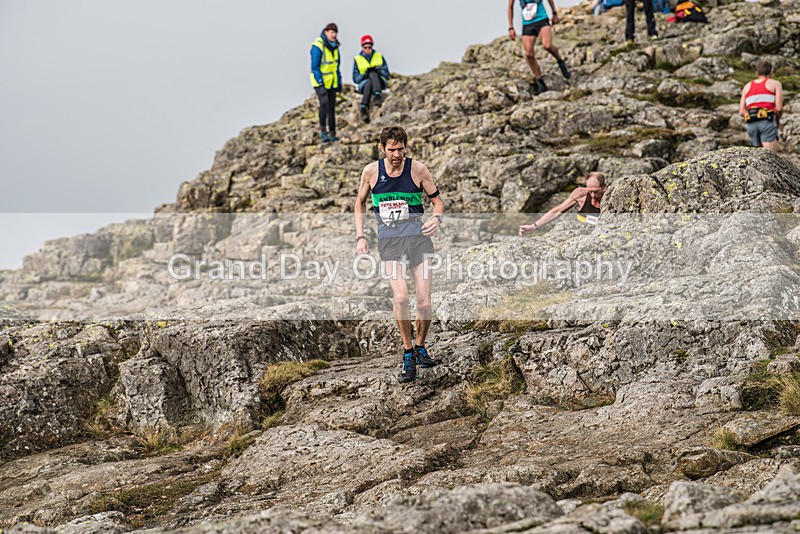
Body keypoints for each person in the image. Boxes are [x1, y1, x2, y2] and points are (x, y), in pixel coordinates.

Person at [354, 126, 445, 383]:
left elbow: (438, 201)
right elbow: (359, 202)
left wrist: (436, 219)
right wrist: (361, 237)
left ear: (406, 147)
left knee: (424, 302)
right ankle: (407, 352)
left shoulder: (418, 169)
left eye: (400, 149)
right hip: (390, 242)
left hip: (418, 239)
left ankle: (420, 346)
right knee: (402, 297)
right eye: (391, 149)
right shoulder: (371, 172)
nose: (396, 154)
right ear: (382, 148)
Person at [508, 0, 571, 96]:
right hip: (527, 24)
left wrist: (554, 13)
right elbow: (510, 7)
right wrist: (511, 27)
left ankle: (560, 61)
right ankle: (540, 82)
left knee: (547, 45)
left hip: (542, 19)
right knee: (528, 54)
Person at [519, 172, 606, 235]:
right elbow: (557, 211)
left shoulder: (609, 198)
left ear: (604, 186)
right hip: (582, 233)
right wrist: (533, 226)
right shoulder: (581, 194)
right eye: (590, 191)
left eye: (596, 191)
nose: (593, 195)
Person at [739, 60, 783, 153]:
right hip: (767, 121)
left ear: (756, 73)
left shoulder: (747, 86)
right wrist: (777, 119)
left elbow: (741, 111)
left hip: (751, 123)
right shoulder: (775, 84)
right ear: (770, 74)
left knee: (758, 157)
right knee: (771, 156)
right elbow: (779, 108)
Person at [310, 23, 343, 143]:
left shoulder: (335, 47)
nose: (334, 35)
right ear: (326, 32)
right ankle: (323, 132)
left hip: (332, 82)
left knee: (331, 108)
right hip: (320, 82)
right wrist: (320, 82)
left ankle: (333, 134)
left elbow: (336, 67)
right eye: (331, 32)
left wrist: (339, 82)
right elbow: (315, 66)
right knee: (323, 104)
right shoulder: (318, 46)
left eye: (335, 33)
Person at [353, 35, 391, 124]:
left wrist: (378, 71)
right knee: (369, 82)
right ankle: (365, 106)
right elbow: (355, 78)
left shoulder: (379, 56)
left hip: (379, 82)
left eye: (369, 47)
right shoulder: (357, 59)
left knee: (373, 73)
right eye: (365, 47)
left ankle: (374, 97)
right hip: (365, 83)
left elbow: (386, 74)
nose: (367, 49)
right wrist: (364, 74)